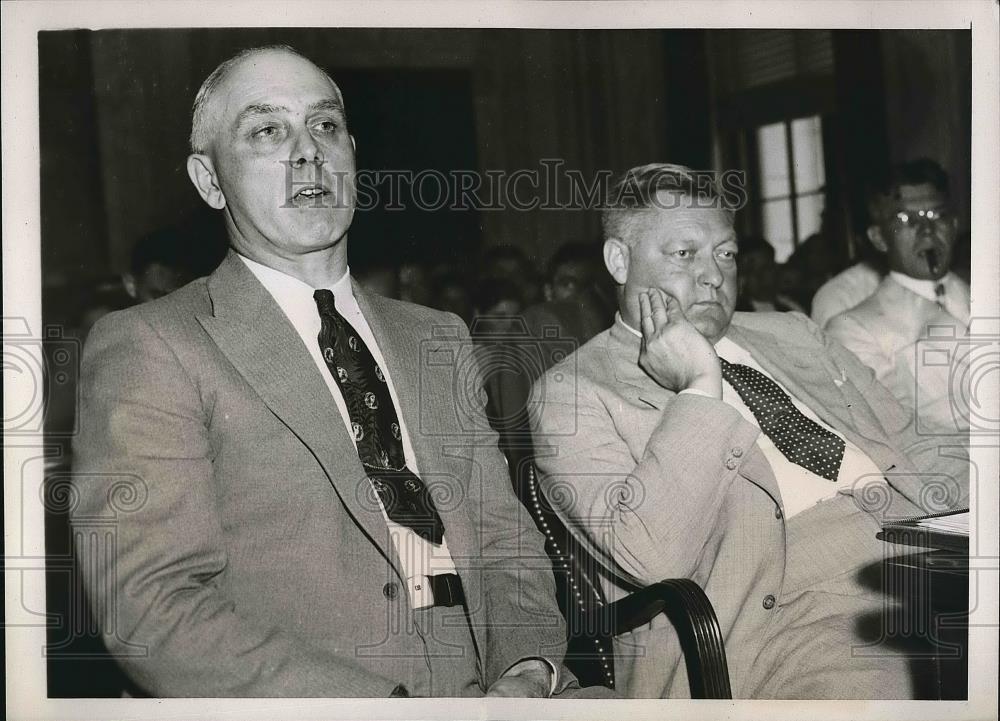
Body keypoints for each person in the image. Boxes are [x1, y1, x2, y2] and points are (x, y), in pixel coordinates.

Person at [71, 45, 579, 698]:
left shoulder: (436, 334)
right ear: (208, 179)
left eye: (326, 124)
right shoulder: (152, 343)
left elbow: (505, 535)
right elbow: (150, 603)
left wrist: (528, 666)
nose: (307, 150)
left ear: (353, 153)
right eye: (266, 130)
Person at [529, 163, 967, 699]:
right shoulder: (573, 392)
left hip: (928, 556)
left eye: (726, 253)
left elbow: (911, 442)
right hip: (783, 618)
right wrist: (697, 387)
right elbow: (649, 555)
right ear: (619, 261)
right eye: (685, 254)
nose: (715, 274)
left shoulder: (795, 332)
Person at [826, 159, 970, 435]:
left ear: (953, 225)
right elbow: (899, 433)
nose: (926, 230)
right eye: (906, 220)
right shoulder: (853, 328)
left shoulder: (984, 293)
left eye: (936, 216)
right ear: (879, 238)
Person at [734, 235, 806, 313]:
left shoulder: (791, 309)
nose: (759, 276)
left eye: (765, 268)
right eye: (750, 270)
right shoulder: (734, 313)